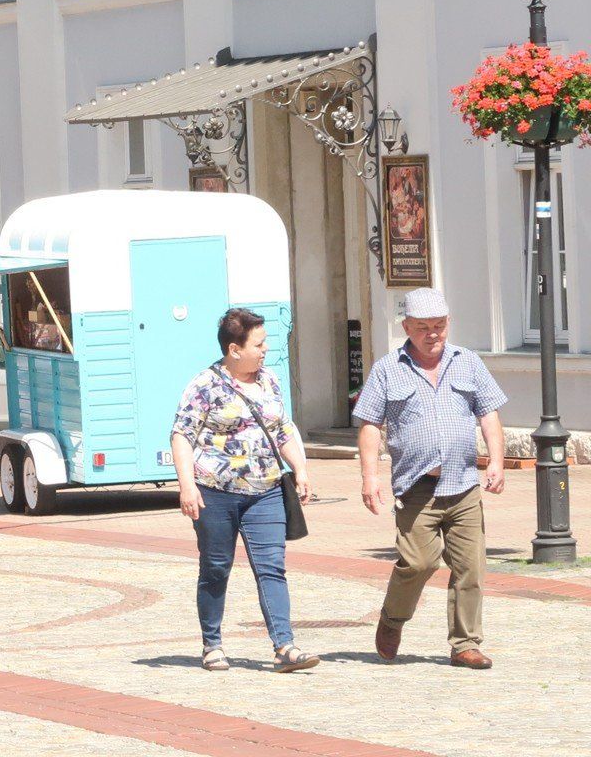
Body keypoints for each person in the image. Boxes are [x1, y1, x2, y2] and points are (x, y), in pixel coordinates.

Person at [354, 287, 508, 670]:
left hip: (463, 484)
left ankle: (465, 644)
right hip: (416, 487)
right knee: (419, 563)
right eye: (423, 327)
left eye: (439, 325)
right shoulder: (387, 369)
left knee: (471, 567)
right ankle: (392, 619)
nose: (432, 333)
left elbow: (489, 413)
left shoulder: (468, 362)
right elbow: (370, 424)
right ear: (406, 327)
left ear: (448, 323)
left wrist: (496, 461)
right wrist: (370, 477)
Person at [170, 307, 318, 673]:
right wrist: (187, 486)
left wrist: (300, 468)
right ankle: (212, 645)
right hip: (215, 492)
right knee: (216, 567)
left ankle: (284, 647)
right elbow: (182, 435)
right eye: (259, 344)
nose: (265, 350)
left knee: (272, 568)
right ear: (234, 350)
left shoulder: (269, 381)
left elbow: (282, 429)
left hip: (266, 491)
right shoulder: (204, 385)